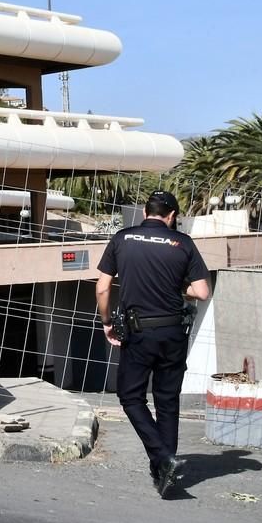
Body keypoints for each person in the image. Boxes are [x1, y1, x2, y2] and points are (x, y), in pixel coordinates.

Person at [95, 190, 211, 499]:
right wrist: (176, 287)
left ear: (146, 211)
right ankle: (165, 474)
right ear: (171, 216)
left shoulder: (122, 238)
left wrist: (107, 322)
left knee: (131, 397)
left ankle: (162, 457)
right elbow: (201, 292)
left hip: (138, 333)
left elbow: (103, 287)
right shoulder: (183, 243)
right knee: (167, 402)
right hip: (173, 333)